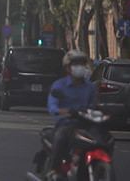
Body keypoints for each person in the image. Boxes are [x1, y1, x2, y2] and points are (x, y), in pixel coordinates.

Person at [46, 50, 96, 181]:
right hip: (66, 124)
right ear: (68, 67)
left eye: (81, 64)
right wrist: (60, 111)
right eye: (75, 64)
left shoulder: (90, 87)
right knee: (61, 137)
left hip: (85, 124)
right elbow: (52, 105)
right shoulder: (59, 85)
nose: (79, 67)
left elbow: (94, 105)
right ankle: (54, 170)